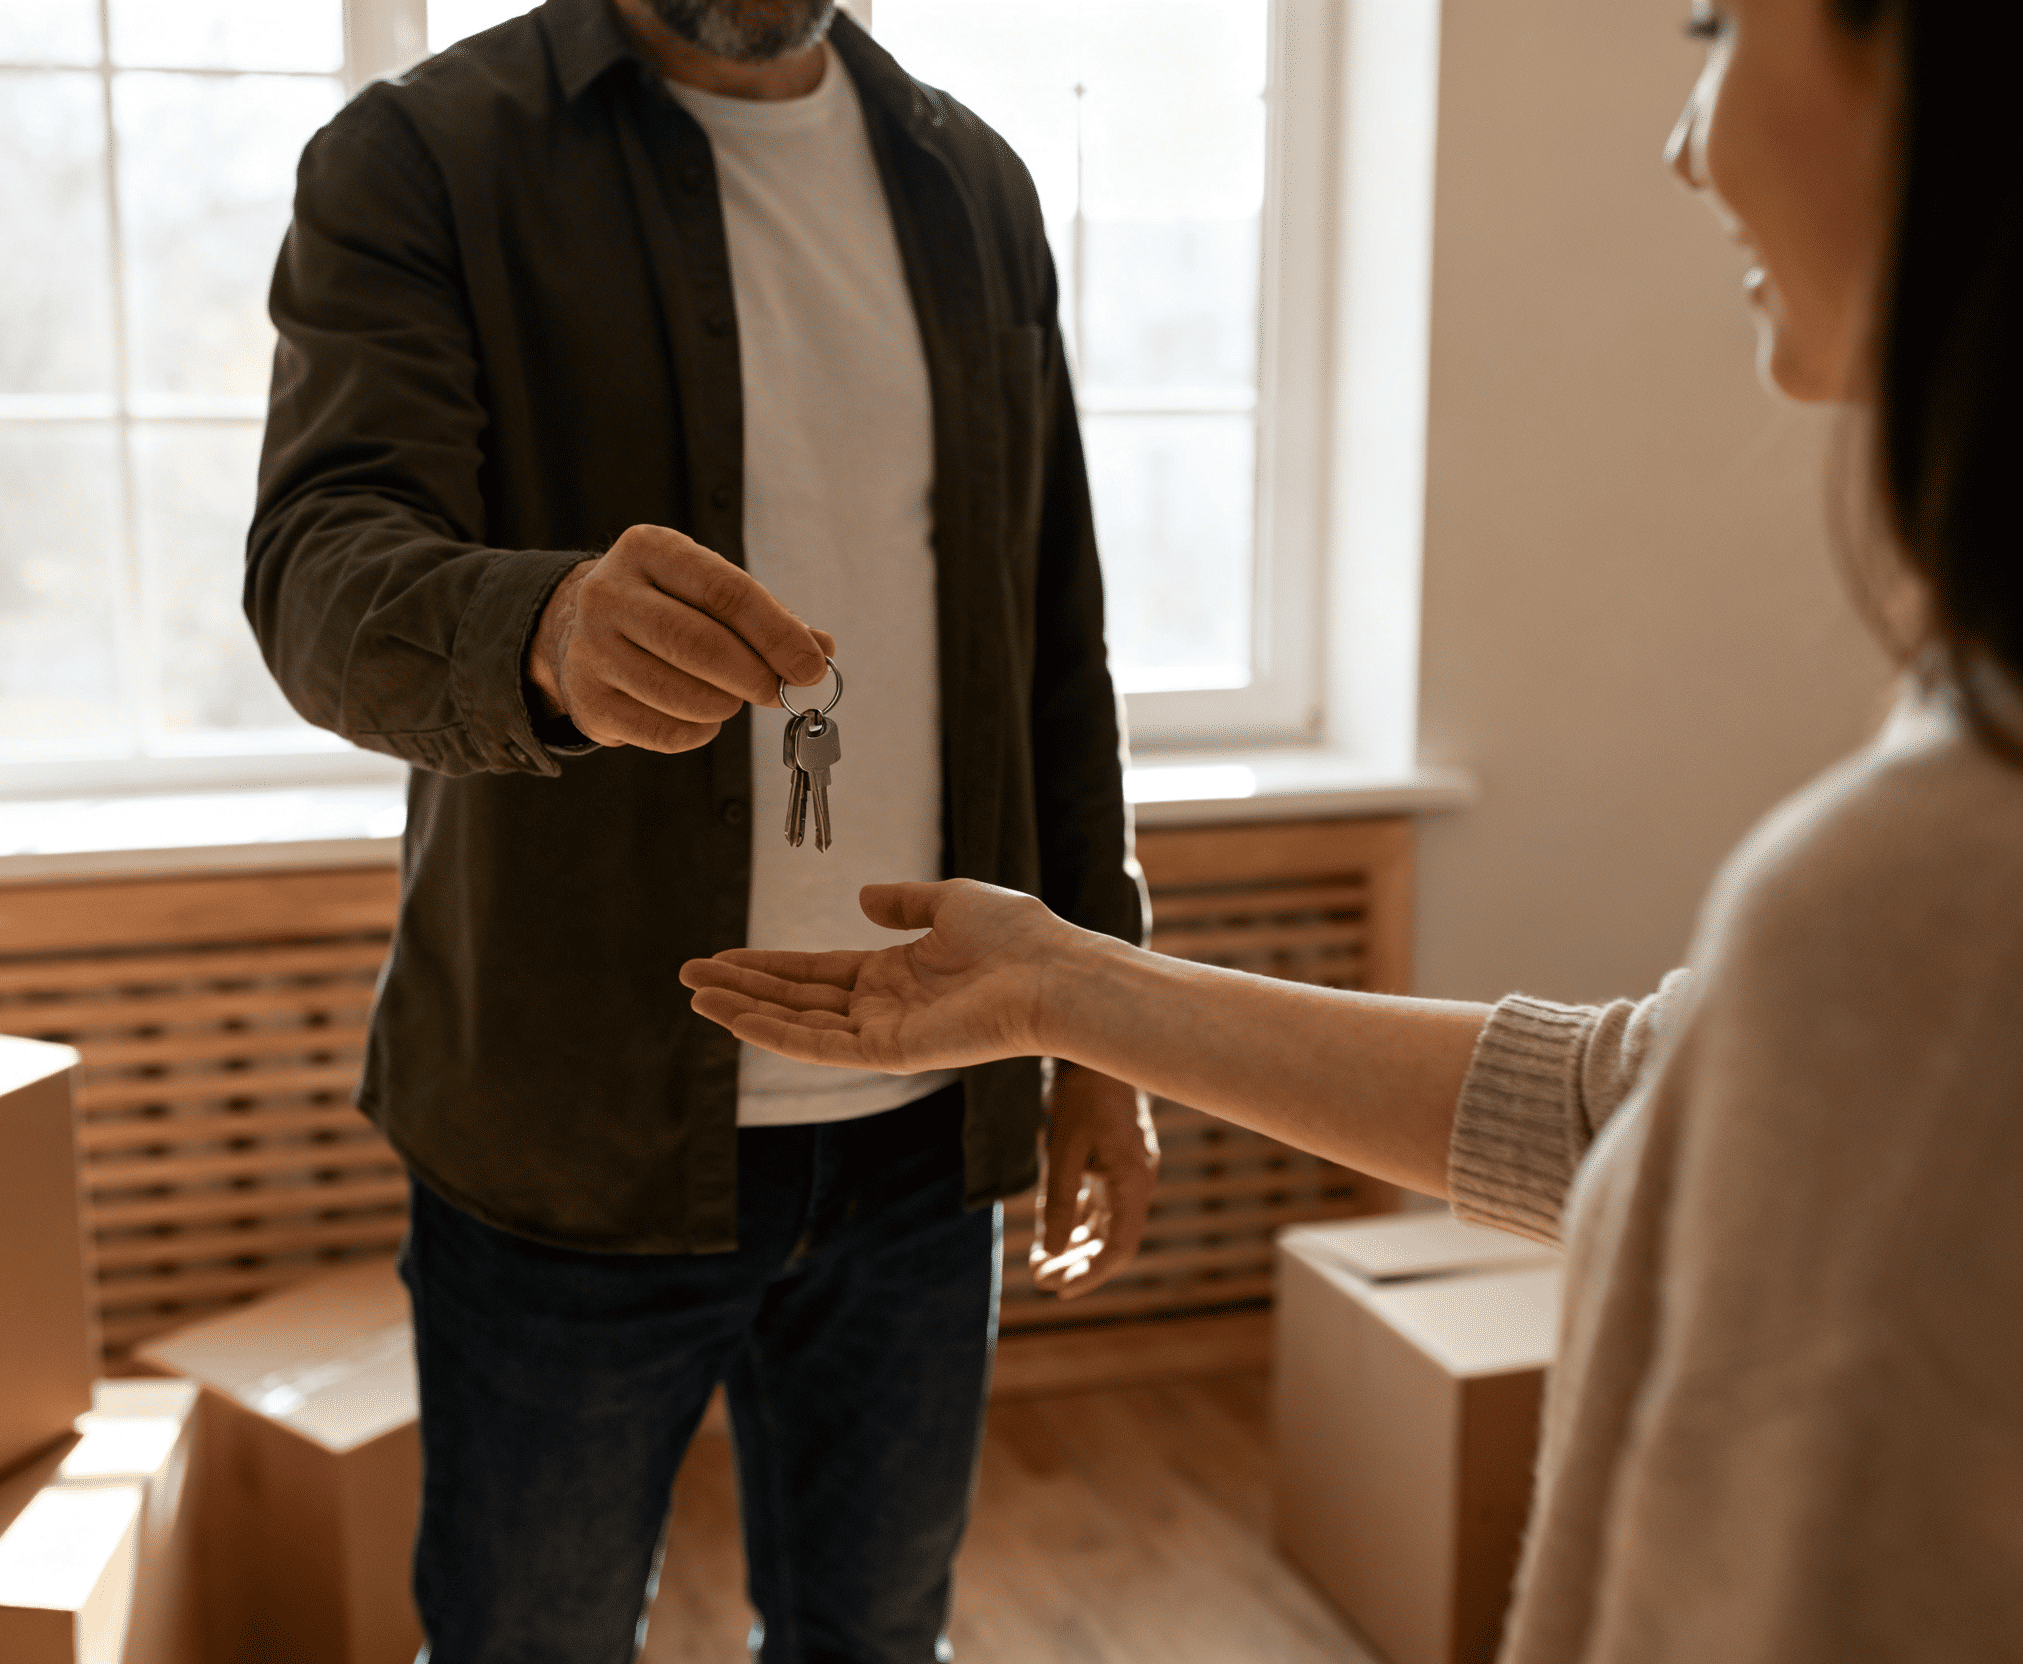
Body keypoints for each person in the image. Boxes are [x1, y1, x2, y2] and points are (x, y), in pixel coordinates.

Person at [684, 0, 2023, 1656]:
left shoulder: (1921, 899)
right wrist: (1058, 990)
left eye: (1715, 22)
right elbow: (1648, 1109)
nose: (1684, 141)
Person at [245, 0, 1160, 1656]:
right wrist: (539, 631)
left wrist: (1105, 1037)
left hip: (925, 1132)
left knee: (875, 1641)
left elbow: (1054, 643)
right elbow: (313, 569)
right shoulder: (421, 158)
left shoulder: (976, 187)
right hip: (565, 1137)